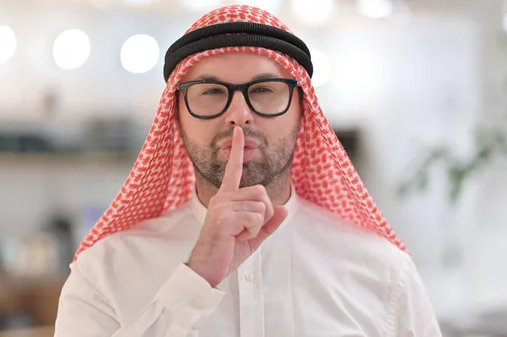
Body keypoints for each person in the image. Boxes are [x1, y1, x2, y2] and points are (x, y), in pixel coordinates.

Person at [54, 4, 442, 337]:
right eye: (210, 92)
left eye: (264, 90)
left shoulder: (384, 273)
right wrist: (196, 277)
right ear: (176, 117)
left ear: (303, 111)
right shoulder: (104, 272)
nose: (239, 114)